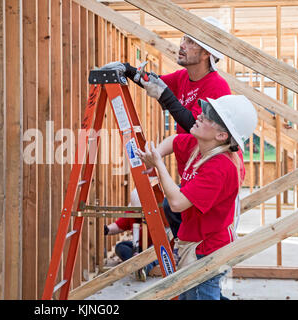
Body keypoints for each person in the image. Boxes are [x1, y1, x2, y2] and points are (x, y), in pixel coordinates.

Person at [101, 17, 236, 240]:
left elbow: (193, 124)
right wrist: (127, 69)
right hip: (191, 166)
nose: (182, 45)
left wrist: (165, 96)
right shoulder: (184, 77)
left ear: (206, 55)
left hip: (211, 169)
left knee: (204, 236)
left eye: (191, 42)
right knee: (177, 219)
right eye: (184, 38)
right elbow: (153, 81)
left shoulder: (217, 85)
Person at [135, 95, 258, 300]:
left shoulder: (221, 166)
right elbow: (174, 141)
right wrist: (156, 155)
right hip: (195, 244)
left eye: (209, 116)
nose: (200, 115)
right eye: (205, 111)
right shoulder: (201, 146)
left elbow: (177, 203)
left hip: (208, 251)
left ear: (221, 135)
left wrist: (159, 164)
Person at [104, 188, 159, 282]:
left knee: (157, 251)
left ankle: (144, 267)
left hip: (155, 247)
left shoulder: (158, 212)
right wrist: (108, 229)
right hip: (139, 248)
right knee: (120, 247)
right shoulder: (132, 212)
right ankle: (136, 264)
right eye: (136, 211)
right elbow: (119, 225)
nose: (137, 213)